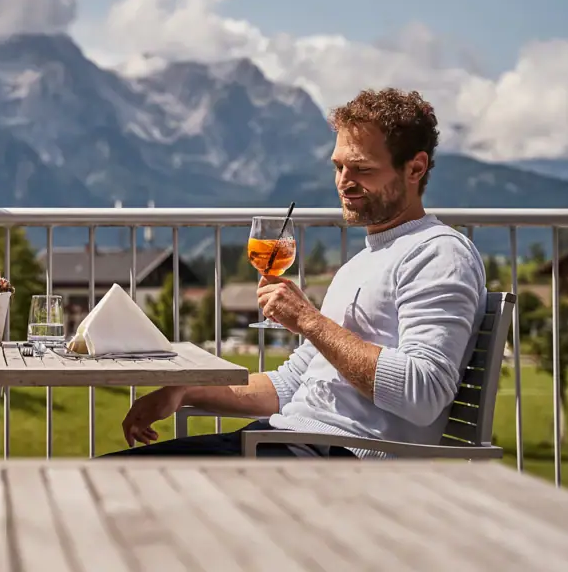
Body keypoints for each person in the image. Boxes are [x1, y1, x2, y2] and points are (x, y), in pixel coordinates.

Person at [115, 88, 486, 458]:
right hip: (281, 443)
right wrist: (184, 392)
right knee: (103, 481)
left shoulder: (438, 253)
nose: (343, 181)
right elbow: (291, 384)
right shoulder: (360, 264)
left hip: (329, 462)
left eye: (362, 168)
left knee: (104, 486)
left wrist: (309, 320)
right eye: (339, 166)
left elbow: (423, 394)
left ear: (415, 168)